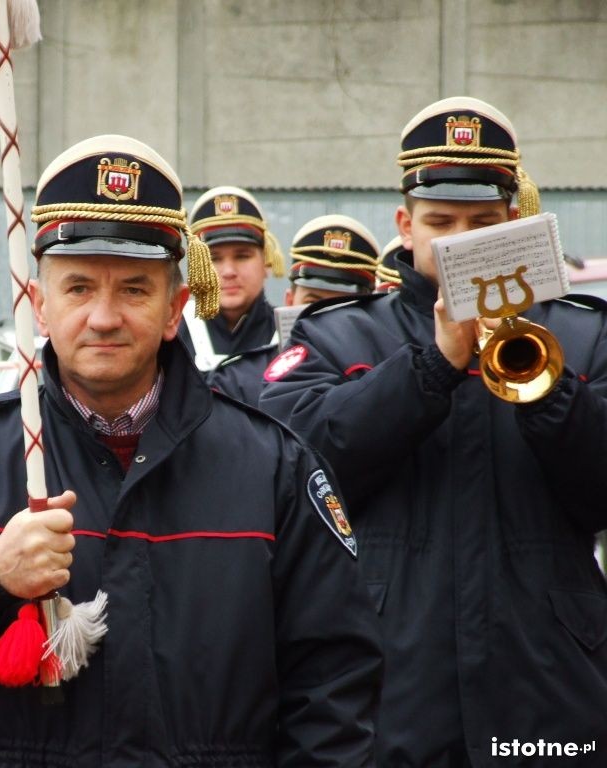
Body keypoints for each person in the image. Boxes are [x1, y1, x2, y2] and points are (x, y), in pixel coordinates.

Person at [0, 134, 384, 766]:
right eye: (78, 287)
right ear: (38, 305)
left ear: (176, 309)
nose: (103, 316)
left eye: (135, 290)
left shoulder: (272, 465)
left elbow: (335, 687)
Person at [259, 96, 607, 767]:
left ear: (513, 221)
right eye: (440, 222)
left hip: (551, 693)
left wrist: (550, 391)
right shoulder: (337, 336)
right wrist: (434, 366)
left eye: (481, 223)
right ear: (405, 225)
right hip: (394, 689)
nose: (460, 242)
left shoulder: (583, 337)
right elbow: (295, 470)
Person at [208, 214, 380, 407]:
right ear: (290, 301)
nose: (328, 318)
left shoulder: (387, 379)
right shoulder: (236, 381)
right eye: (313, 303)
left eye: (341, 306)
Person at [180, 185, 285, 371]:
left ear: (266, 262)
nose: (229, 271)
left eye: (242, 256)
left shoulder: (289, 334)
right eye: (214, 258)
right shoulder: (172, 333)